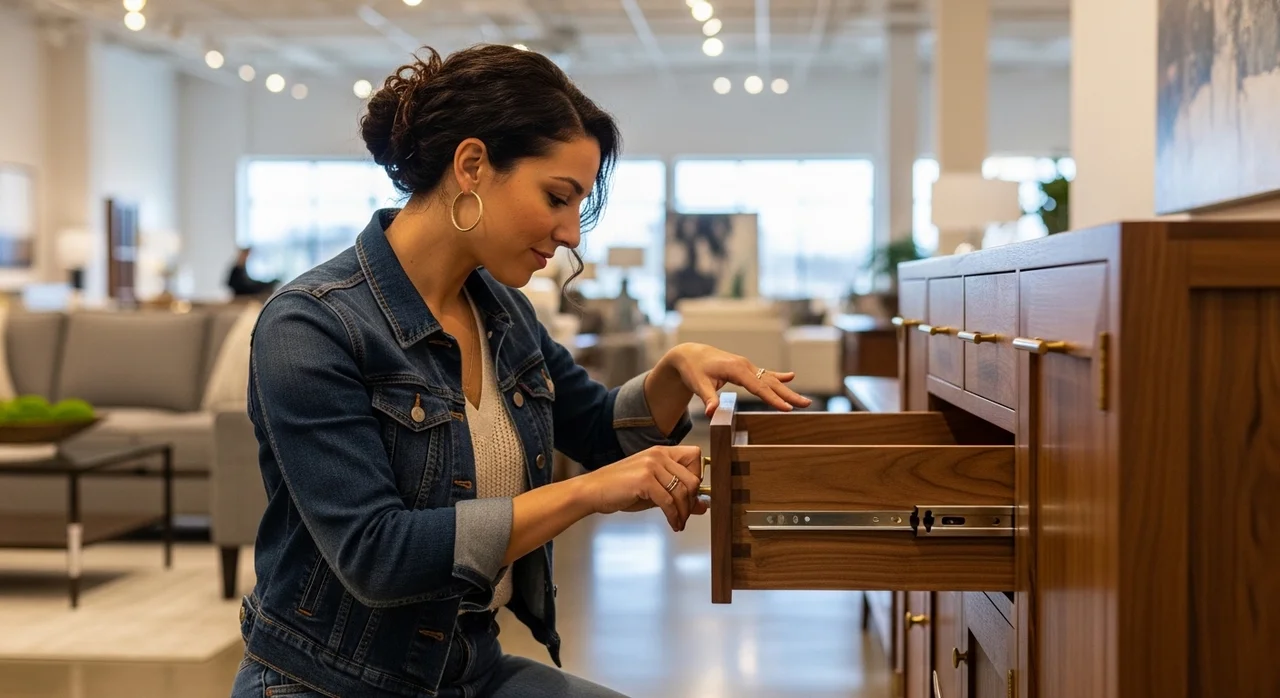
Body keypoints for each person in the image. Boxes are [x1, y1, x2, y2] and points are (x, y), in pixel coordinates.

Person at [230, 44, 811, 698]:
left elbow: (600, 431)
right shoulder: (311, 326)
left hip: (468, 669)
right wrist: (585, 494)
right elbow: (377, 555)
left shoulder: (502, 313)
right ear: (472, 165)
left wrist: (674, 371)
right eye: (558, 197)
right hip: (332, 683)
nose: (572, 234)